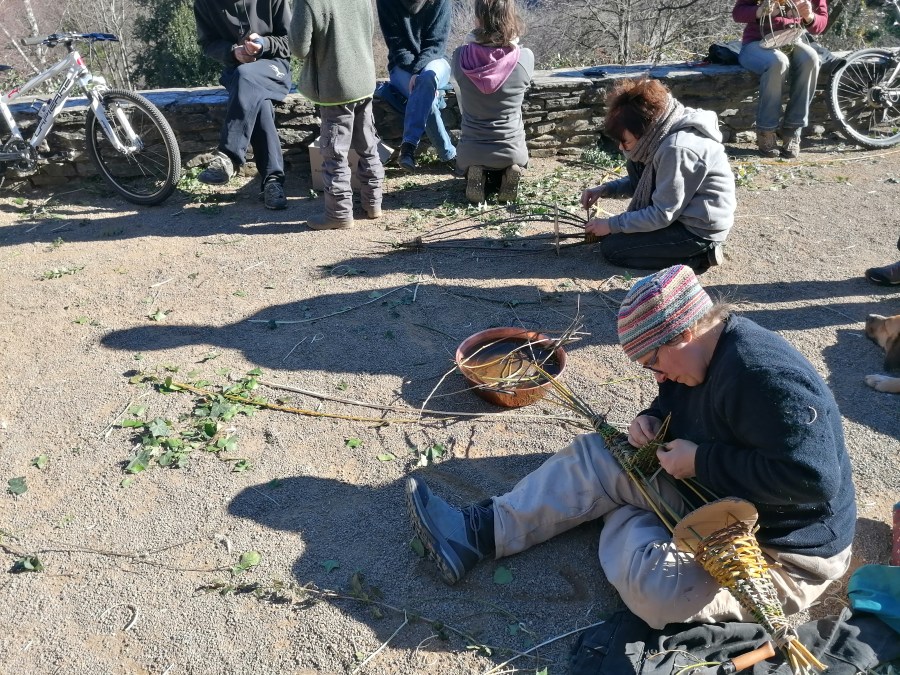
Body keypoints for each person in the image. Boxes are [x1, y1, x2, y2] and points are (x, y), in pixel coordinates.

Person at [407, 264, 856, 629]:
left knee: (661, 593)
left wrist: (701, 460)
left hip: (777, 548)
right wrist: (653, 419)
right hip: (716, 495)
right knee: (598, 456)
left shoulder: (764, 377)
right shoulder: (697, 356)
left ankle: (620, 512)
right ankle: (475, 533)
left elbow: (813, 480)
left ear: (683, 333)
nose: (657, 376)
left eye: (654, 363)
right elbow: (674, 399)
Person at [581, 78, 735, 272]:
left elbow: (662, 214)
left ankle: (701, 256)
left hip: (697, 230)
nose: (621, 147)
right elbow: (645, 181)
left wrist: (612, 224)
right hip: (678, 213)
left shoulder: (676, 150)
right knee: (634, 161)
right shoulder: (660, 131)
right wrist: (605, 189)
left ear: (645, 130)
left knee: (613, 249)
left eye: (625, 141)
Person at [290, 0, 384, 230]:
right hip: (364, 79)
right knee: (368, 145)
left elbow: (299, 49)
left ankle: (339, 214)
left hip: (336, 85)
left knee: (334, 153)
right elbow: (369, 29)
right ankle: (373, 204)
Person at [193, 0, 291, 210]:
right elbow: (208, 44)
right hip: (236, 73)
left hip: (274, 68)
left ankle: (228, 156)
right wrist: (233, 52)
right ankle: (273, 182)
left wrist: (264, 44)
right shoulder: (204, 3)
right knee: (260, 103)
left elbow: (291, 40)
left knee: (247, 78)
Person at [451, 0, 534, 204]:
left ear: (478, 19)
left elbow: (460, 101)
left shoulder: (460, 57)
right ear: (510, 17)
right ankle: (510, 169)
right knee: (507, 157)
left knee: (475, 160)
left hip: (471, 150)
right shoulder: (525, 58)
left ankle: (476, 172)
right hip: (512, 147)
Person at [733, 0, 828, 159]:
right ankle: (766, 130)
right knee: (778, 62)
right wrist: (760, 11)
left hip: (791, 40)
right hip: (756, 43)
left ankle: (792, 130)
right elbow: (738, 13)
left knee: (811, 59)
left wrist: (809, 16)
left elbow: (821, 24)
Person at [376, 0, 457, 171]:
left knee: (426, 80)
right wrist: (416, 73)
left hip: (436, 59)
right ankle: (449, 155)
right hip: (401, 65)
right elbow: (397, 45)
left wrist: (418, 72)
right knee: (427, 96)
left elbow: (436, 43)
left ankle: (408, 147)